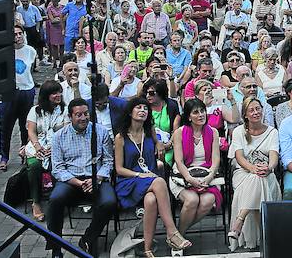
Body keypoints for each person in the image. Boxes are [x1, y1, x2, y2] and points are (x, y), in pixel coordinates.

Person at [113, 96, 192, 256]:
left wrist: (159, 145)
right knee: (160, 181)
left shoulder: (149, 131)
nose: (143, 110)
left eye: (145, 108)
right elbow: (119, 169)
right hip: (129, 180)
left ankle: (147, 249)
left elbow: (159, 145)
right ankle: (172, 232)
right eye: (138, 107)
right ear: (130, 112)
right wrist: (139, 174)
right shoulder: (121, 137)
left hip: (149, 179)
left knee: (150, 200)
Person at [47, 99, 116, 257]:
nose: (83, 118)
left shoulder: (101, 132)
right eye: (78, 115)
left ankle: (88, 239)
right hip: (71, 180)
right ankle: (55, 247)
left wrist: (97, 179)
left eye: (86, 114)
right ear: (70, 116)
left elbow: (108, 161)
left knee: (109, 202)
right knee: (55, 199)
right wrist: (78, 182)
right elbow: (58, 168)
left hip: (96, 177)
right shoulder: (59, 136)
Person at [228, 98, 282, 252]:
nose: (256, 112)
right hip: (243, 172)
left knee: (260, 179)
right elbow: (239, 157)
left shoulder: (272, 132)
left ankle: (240, 220)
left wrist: (269, 168)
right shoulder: (238, 132)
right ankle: (267, 238)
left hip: (266, 173)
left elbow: (274, 156)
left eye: (258, 109)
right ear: (245, 114)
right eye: (251, 110)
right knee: (257, 178)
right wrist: (253, 168)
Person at [171, 98, 222, 233]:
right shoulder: (179, 133)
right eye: (195, 112)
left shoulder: (213, 132)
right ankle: (179, 236)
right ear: (188, 117)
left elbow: (216, 160)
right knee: (192, 200)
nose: (201, 115)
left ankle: (178, 234)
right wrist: (189, 178)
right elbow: (179, 161)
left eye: (202, 111)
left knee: (207, 201)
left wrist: (209, 177)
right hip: (183, 173)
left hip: (207, 173)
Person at [24, 81, 68, 221]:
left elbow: (66, 132)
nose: (58, 95)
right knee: (34, 166)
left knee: (57, 167)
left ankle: (58, 202)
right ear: (46, 96)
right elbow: (31, 131)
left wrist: (54, 149)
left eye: (59, 92)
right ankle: (36, 202)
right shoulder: (35, 111)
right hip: (38, 146)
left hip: (58, 147)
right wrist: (38, 147)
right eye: (54, 93)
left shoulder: (65, 110)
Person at [0, 25, 38, 171]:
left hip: (26, 91)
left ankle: (25, 153)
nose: (18, 37)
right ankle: (4, 157)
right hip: (9, 93)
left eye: (20, 33)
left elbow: (28, 70)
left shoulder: (30, 51)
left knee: (25, 126)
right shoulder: (4, 52)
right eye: (15, 34)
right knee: (6, 126)